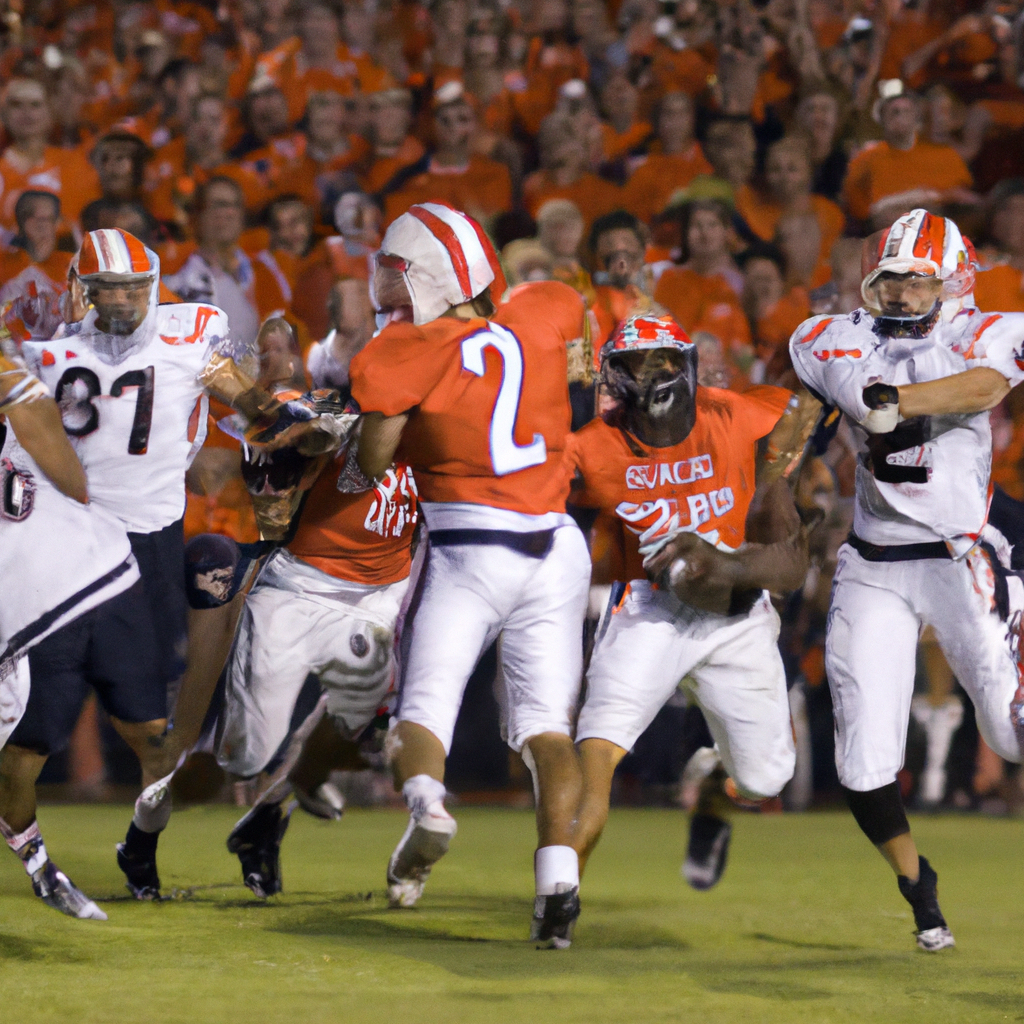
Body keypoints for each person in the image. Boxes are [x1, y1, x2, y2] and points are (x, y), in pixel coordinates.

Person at [347, 201, 592, 946]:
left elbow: (372, 461)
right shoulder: (546, 306)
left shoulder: (400, 351)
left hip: (467, 543)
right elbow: (575, 330)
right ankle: (558, 879)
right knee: (548, 731)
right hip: (555, 545)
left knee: (418, 714)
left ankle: (427, 803)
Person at [788, 209, 1024, 952]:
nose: (898, 294)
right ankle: (916, 885)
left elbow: (983, 388)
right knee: (860, 761)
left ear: (950, 281)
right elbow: (808, 408)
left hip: (960, 554)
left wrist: (896, 403)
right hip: (875, 563)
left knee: (1010, 735)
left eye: (916, 280)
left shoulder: (987, 329)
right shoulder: (829, 335)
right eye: (889, 279)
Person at [565, 312, 809, 924]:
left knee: (766, 779)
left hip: (735, 614)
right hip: (646, 605)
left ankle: (712, 791)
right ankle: (557, 890)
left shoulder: (739, 418)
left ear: (687, 365)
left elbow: (791, 564)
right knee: (598, 747)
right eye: (636, 365)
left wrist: (725, 565)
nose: (652, 377)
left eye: (662, 361)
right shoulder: (591, 445)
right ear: (611, 378)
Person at [22, 228, 238, 901]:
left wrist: (264, 401)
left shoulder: (190, 330)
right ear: (80, 290)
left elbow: (229, 380)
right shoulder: (46, 355)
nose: (120, 300)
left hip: (136, 543)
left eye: (132, 287)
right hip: (65, 542)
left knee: (147, 725)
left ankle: (141, 843)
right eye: (107, 288)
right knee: (33, 716)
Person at [0, 316, 154, 921]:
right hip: (24, 613)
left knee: (21, 752)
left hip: (79, 583)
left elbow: (74, 479)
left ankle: (41, 863)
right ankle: (37, 863)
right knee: (17, 756)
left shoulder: (24, 421)